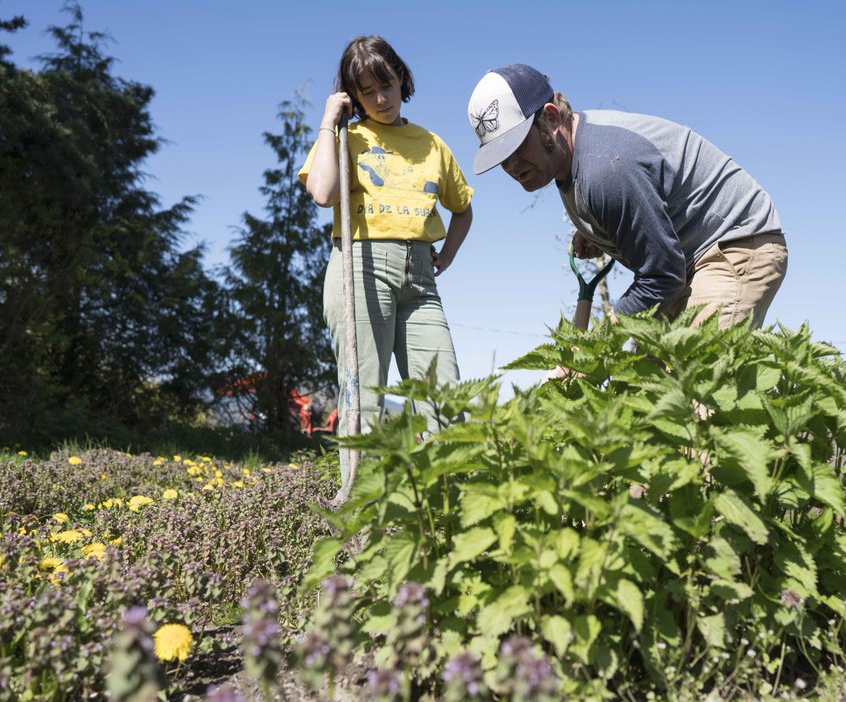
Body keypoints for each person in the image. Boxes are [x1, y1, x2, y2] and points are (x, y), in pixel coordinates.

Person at [467, 64, 785, 329]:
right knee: (643, 387)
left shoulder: (606, 168)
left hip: (733, 245)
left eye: (516, 145)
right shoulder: (570, 160)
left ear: (550, 119)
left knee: (695, 385)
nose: (509, 164)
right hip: (685, 265)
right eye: (499, 155)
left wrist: (593, 345)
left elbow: (661, 275)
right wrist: (595, 230)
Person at [299, 36, 473, 479]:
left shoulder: (431, 144)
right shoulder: (345, 138)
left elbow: (463, 209)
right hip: (361, 269)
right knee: (365, 394)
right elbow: (321, 193)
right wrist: (327, 121)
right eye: (367, 91)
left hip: (420, 280)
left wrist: (446, 257)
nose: (381, 99)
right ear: (352, 96)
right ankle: (363, 510)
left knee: (442, 392)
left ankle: (446, 504)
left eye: (388, 86)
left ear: (402, 80)